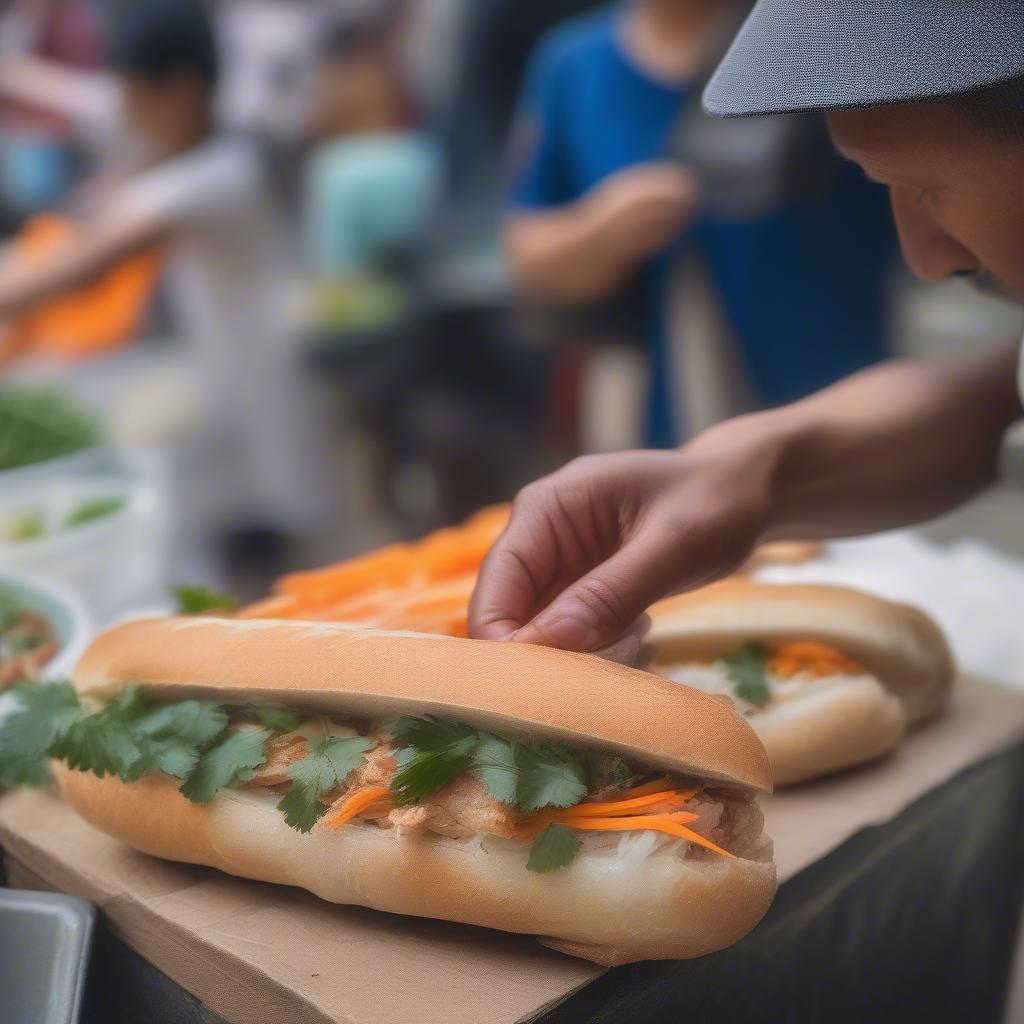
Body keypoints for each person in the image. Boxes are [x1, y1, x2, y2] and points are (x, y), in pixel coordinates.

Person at [469, 0, 1024, 658]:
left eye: (925, 190)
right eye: (881, 187)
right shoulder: (576, 63)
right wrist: (734, 473)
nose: (929, 260)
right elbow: (1000, 398)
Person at [0, 0, 332, 569]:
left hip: (276, 392)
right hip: (240, 381)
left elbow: (86, 263)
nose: (128, 116)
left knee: (301, 551)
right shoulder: (200, 153)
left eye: (135, 99)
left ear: (179, 91)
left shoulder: (218, 175)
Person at [504, 0, 896, 448]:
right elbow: (527, 257)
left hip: (838, 417)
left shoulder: (827, 38)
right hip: (651, 421)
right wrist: (602, 231)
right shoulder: (573, 64)